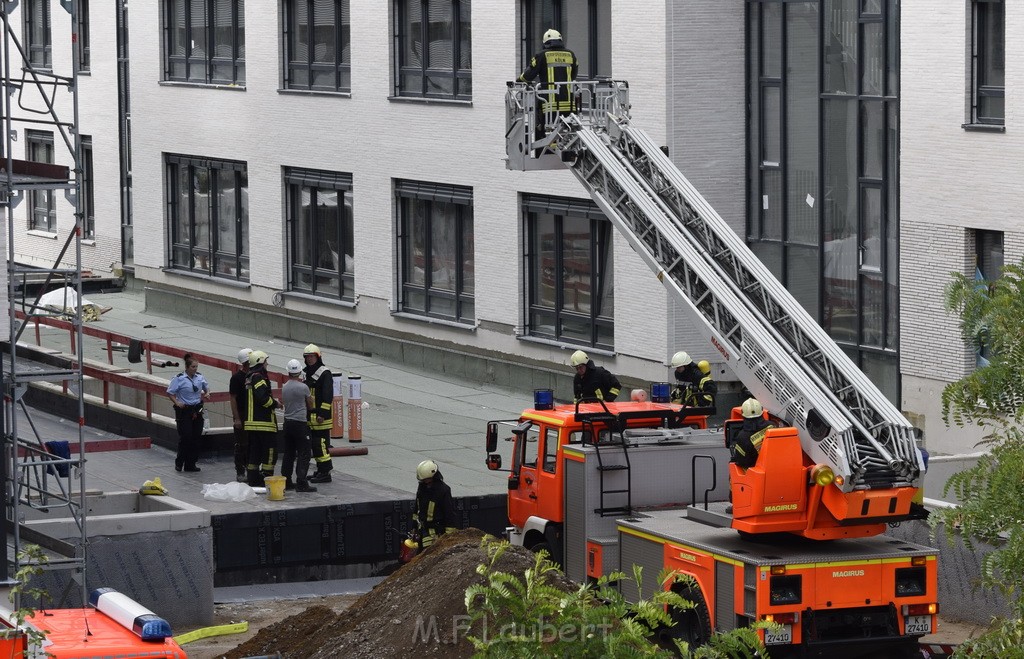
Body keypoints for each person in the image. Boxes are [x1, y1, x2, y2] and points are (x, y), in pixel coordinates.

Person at [518, 28, 578, 154]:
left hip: (549, 103)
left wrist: (519, 80)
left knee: (546, 128)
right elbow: (573, 75)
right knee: (566, 129)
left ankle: (547, 151)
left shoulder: (541, 56)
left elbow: (529, 74)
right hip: (568, 103)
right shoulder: (570, 55)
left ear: (545, 42)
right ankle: (566, 147)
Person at [166, 353, 210, 473]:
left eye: (196, 367)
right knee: (186, 437)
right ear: (187, 367)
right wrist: (177, 402)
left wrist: (207, 393)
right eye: (193, 367)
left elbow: (206, 387)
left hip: (197, 409)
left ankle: (191, 464)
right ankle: (180, 462)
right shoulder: (179, 378)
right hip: (185, 410)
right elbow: (170, 392)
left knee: (196, 437)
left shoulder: (200, 377)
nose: (195, 369)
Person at [280, 359, 317, 493]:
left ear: (288, 371)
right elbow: (310, 405)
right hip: (300, 424)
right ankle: (301, 482)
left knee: (289, 453)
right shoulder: (303, 387)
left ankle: (287, 481)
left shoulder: (284, 387)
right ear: (300, 371)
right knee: (304, 452)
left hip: (288, 423)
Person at [244, 350, 279, 486]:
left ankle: (253, 479)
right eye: (265, 361)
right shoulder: (258, 377)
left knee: (254, 452)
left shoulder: (249, 377)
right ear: (260, 362)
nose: (267, 364)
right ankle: (267, 479)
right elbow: (263, 399)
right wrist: (276, 403)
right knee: (270, 452)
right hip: (264, 423)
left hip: (252, 424)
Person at [302, 344, 336, 484]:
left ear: (318, 357)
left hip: (321, 417)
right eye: (307, 357)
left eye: (312, 356)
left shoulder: (324, 373)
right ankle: (320, 469)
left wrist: (322, 413)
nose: (309, 359)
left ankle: (325, 472)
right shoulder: (307, 372)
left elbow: (328, 396)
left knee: (320, 444)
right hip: (311, 415)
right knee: (315, 445)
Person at [412, 459, 458, 550]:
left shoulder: (443, 490)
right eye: (423, 480)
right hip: (422, 531)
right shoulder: (422, 488)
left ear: (434, 476)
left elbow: (449, 514)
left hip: (436, 533)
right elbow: (417, 508)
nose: (425, 482)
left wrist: (448, 537)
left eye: (427, 479)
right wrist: (414, 527)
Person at [730, 398, 776, 470]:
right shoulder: (773, 426)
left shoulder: (742, 437)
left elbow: (742, 461)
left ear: (742, 413)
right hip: (776, 467)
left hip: (755, 473)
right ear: (761, 410)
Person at [228, 348, 252, 483]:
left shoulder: (254, 376)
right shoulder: (237, 378)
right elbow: (233, 398)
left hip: (252, 414)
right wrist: (237, 418)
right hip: (242, 414)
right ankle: (240, 470)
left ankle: (251, 468)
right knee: (241, 444)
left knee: (251, 443)